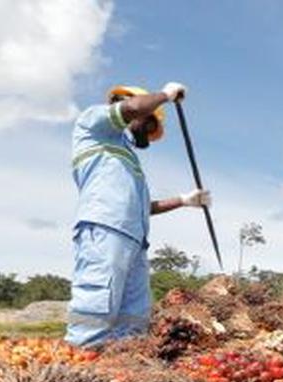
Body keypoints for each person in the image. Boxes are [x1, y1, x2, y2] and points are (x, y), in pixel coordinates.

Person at [66, 82, 212, 347]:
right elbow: (133, 107)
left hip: (135, 240)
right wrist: (165, 95)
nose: (147, 132)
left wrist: (184, 200)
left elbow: (143, 208)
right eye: (148, 123)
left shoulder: (127, 158)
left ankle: (124, 361)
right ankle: (81, 357)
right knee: (97, 303)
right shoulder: (93, 125)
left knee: (134, 315)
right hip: (105, 228)